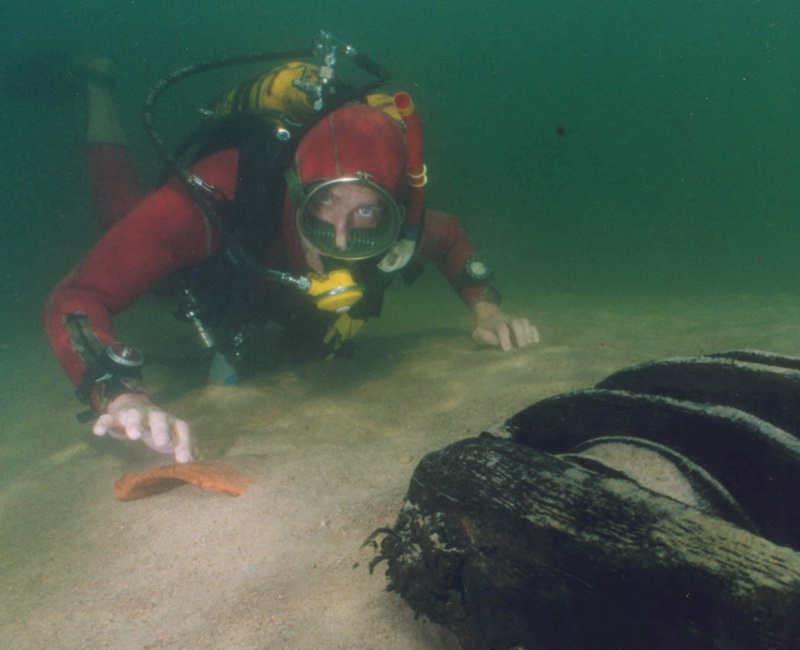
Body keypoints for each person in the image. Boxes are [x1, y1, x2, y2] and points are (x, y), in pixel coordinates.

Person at [43, 55, 539, 464]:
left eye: (367, 212)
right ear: (295, 188)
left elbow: (450, 240)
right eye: (324, 204)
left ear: (393, 211)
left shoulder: (401, 235)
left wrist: (487, 309)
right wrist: (119, 393)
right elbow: (79, 296)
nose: (339, 238)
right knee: (120, 217)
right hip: (206, 267)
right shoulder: (214, 196)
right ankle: (97, 88)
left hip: (272, 299)